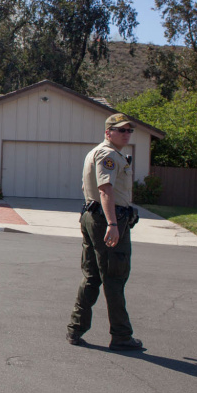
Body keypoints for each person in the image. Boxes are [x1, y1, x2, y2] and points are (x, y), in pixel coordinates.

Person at [66, 112, 144, 351]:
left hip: (93, 216)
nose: (126, 134)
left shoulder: (100, 152)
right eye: (121, 130)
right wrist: (112, 224)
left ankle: (75, 329)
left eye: (129, 130)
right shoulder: (108, 154)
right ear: (108, 132)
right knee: (114, 278)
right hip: (106, 219)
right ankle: (121, 335)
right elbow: (105, 189)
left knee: (92, 276)